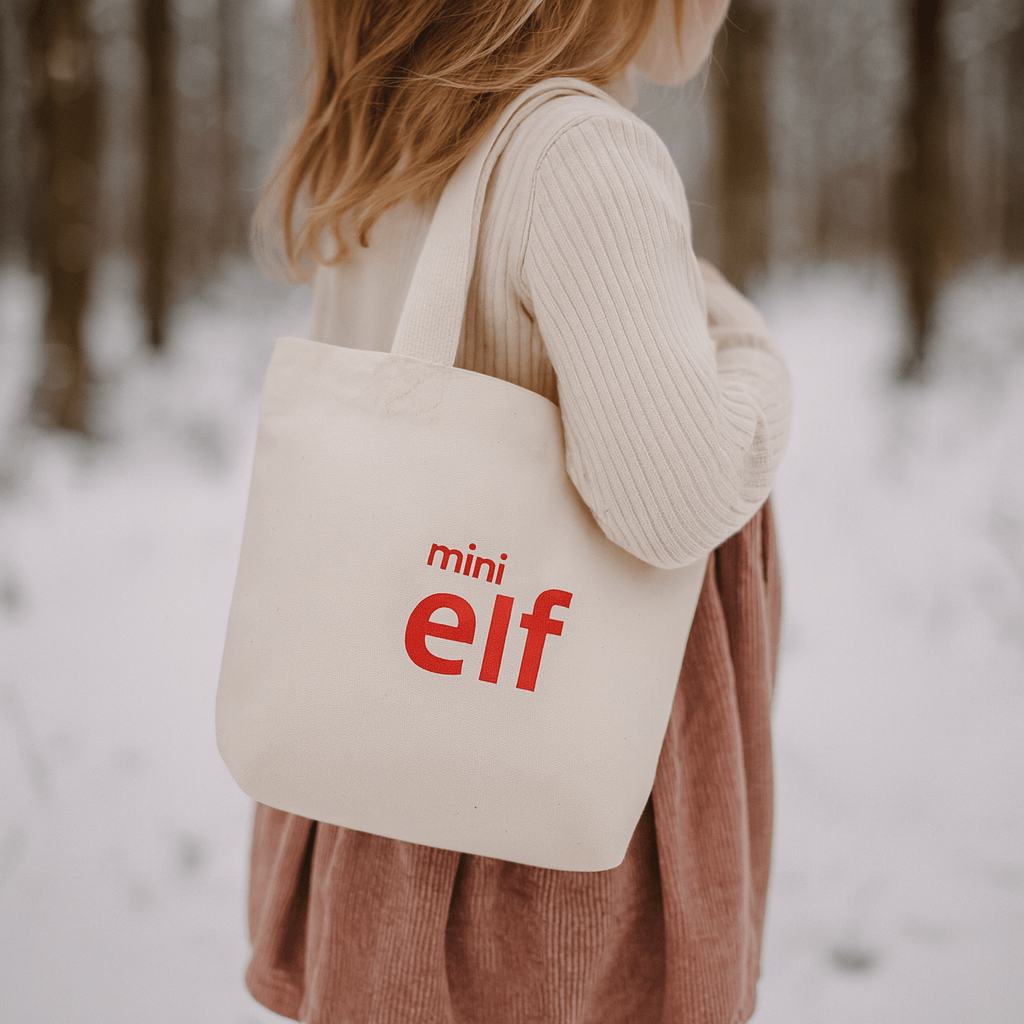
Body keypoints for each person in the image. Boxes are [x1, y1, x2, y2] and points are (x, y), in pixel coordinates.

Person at [243, 1, 791, 1021]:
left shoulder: (387, 139)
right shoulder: (581, 155)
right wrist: (754, 357)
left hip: (379, 782)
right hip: (527, 855)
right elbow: (672, 498)